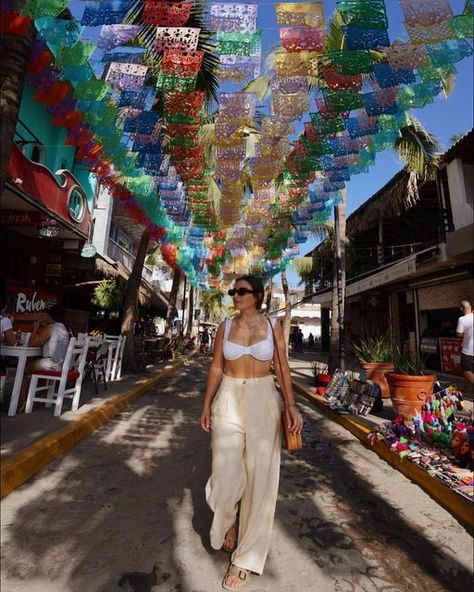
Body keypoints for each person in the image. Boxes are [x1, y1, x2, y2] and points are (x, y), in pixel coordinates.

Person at [200, 275, 303, 590]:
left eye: (241, 291)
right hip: (228, 397)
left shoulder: (272, 328)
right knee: (226, 474)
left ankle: (245, 558)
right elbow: (216, 366)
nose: (235, 295)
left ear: (257, 296)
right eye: (233, 291)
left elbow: (283, 369)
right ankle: (229, 519)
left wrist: (291, 405)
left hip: (262, 399)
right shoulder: (224, 327)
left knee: (260, 479)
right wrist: (206, 405)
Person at [17, 305, 70, 412]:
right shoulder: (64, 329)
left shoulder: (50, 328)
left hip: (51, 365)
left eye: (45, 315)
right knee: (33, 363)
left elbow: (31, 344)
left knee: (22, 369)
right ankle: (38, 393)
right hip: (60, 365)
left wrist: (36, 326)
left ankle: (22, 402)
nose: (43, 317)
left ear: (50, 316)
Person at [456, 300, 473, 392]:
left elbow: (459, 334)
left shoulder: (462, 319)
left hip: (468, 350)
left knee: (466, 370)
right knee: (471, 370)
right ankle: (465, 387)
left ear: (461, 308)